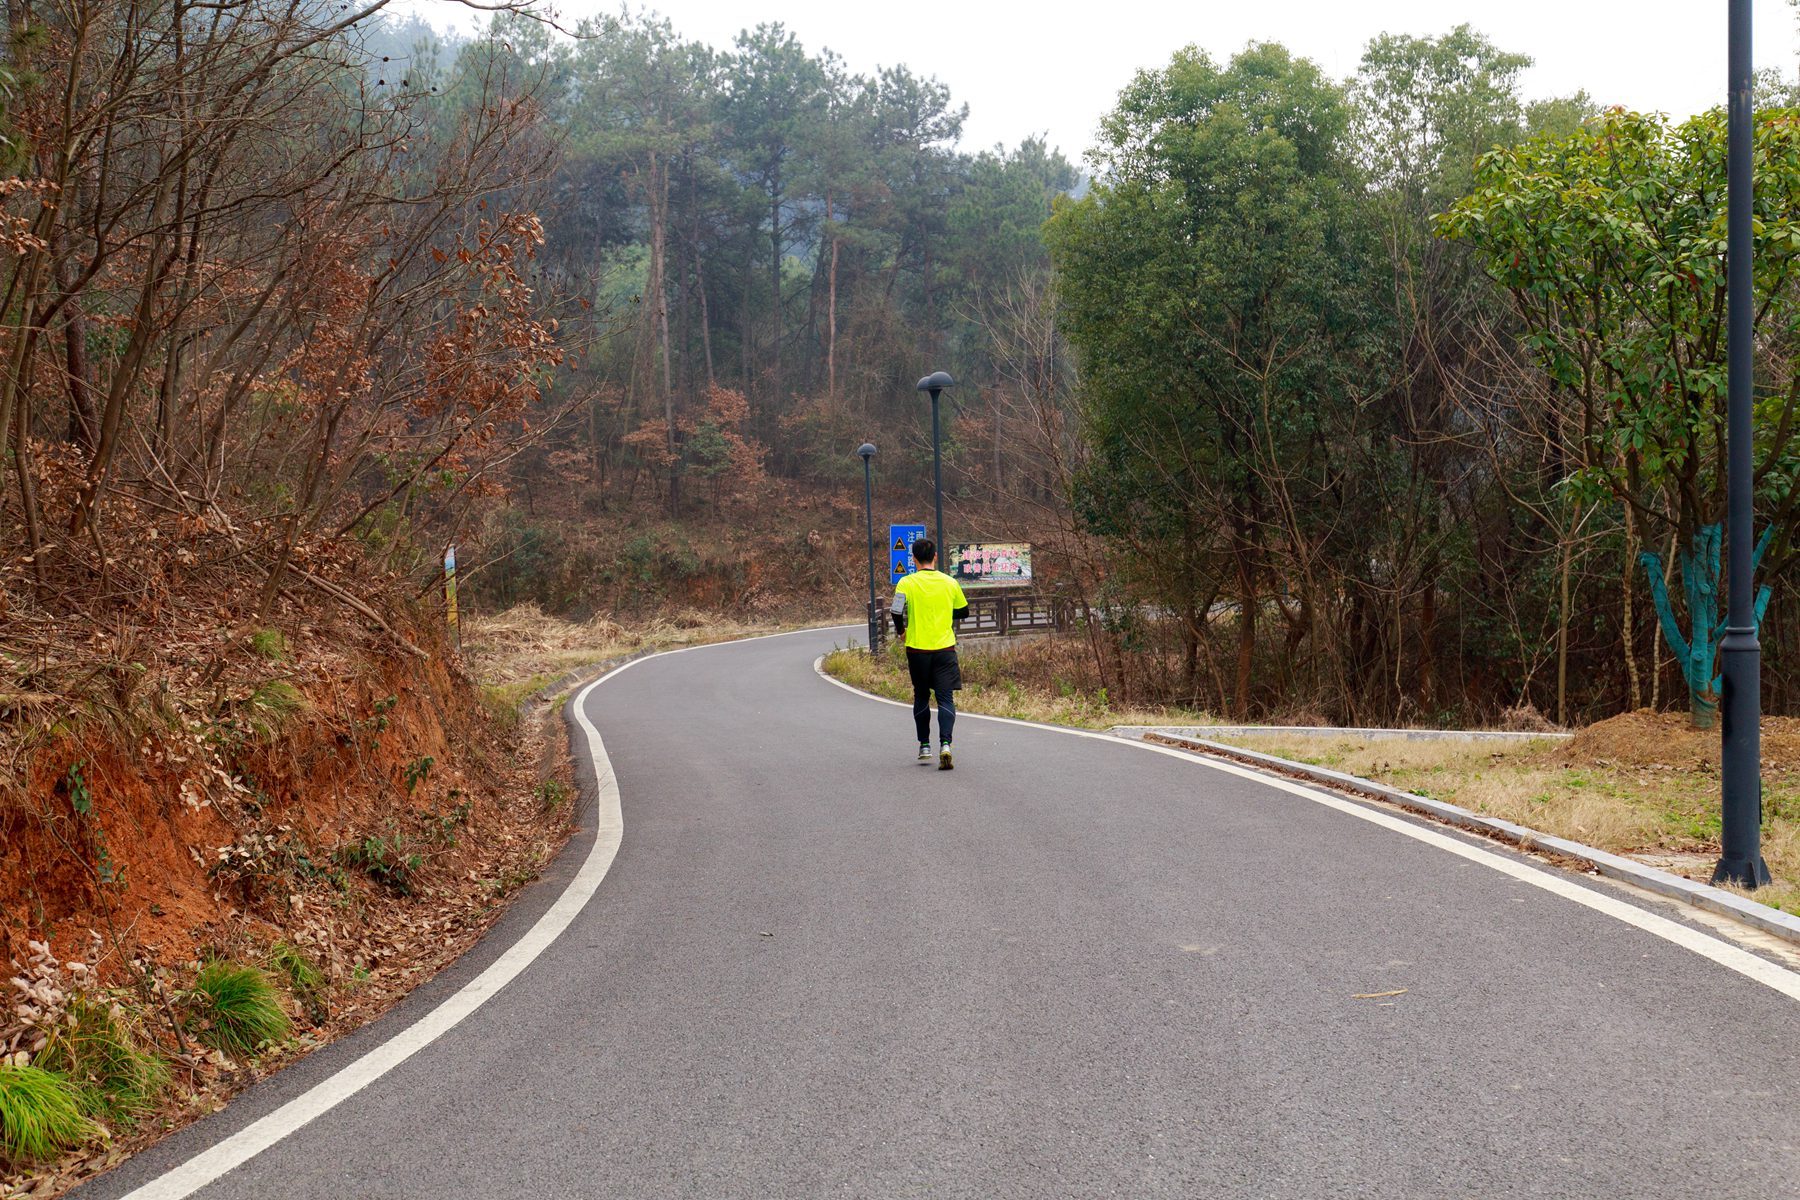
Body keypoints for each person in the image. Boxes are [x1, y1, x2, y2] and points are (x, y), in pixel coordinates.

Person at [889, 539, 968, 770]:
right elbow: (964, 611)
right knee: (945, 698)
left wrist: (902, 631)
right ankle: (945, 744)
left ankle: (924, 745)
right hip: (944, 649)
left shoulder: (906, 582)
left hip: (917, 650)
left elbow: (896, 611)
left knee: (921, 696)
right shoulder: (949, 582)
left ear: (913, 560)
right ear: (935, 557)